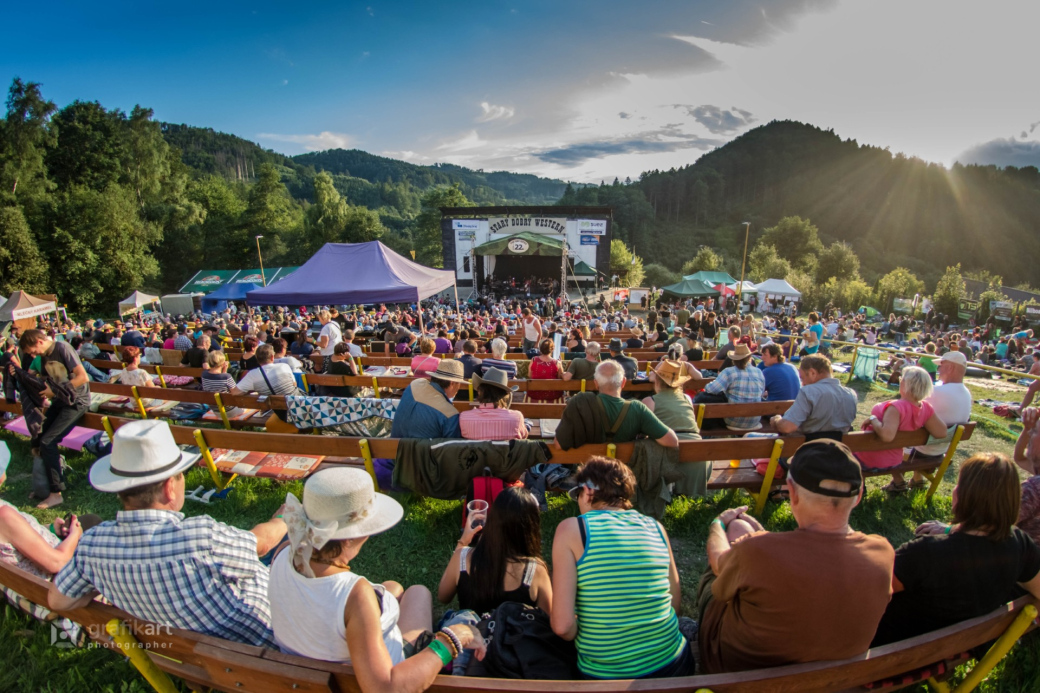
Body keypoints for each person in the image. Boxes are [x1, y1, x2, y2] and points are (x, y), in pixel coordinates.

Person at [49, 420, 286, 647]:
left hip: (195, 654)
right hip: (268, 640)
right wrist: (285, 517)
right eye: (181, 474)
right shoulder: (201, 537)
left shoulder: (92, 547)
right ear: (169, 488)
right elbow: (263, 542)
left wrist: (112, 577)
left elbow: (58, 600)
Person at [266, 467, 483, 688]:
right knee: (418, 593)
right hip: (375, 676)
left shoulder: (284, 552)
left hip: (312, 658)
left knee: (393, 587)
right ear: (348, 539)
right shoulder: (354, 596)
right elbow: (386, 688)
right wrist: (451, 640)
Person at [698, 440, 894, 673]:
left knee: (720, 573)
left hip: (738, 674)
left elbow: (718, 561)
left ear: (792, 492)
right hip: (834, 680)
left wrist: (717, 524)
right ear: (859, 494)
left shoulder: (757, 553)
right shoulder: (883, 553)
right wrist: (762, 539)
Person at [872, 452, 1040, 647]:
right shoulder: (1020, 544)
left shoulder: (925, 553)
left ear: (965, 496)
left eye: (959, 485)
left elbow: (869, 593)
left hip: (894, 652)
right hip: (959, 649)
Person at [551, 457, 692, 679]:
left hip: (606, 676)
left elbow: (562, 626)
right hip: (673, 665)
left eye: (577, 495)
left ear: (587, 492)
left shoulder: (572, 529)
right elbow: (674, 604)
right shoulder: (656, 527)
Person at [438, 486, 551, 614]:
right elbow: (547, 619)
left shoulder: (462, 558)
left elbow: (443, 596)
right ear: (531, 528)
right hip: (514, 633)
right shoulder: (535, 571)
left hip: (471, 632)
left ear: (493, 519)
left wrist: (463, 542)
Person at [18, 330, 91, 509]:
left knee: (48, 441)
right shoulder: (44, 356)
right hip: (61, 401)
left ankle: (55, 493)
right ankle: (43, 484)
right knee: (38, 436)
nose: (34, 355)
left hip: (76, 402)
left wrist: (55, 391)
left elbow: (83, 377)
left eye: (33, 351)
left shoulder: (62, 348)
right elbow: (44, 380)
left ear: (40, 341)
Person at [857, 366, 948, 493]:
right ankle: (898, 482)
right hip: (895, 461)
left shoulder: (896, 407)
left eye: (901, 379)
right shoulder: (926, 408)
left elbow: (887, 436)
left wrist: (873, 419)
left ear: (906, 384)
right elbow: (942, 432)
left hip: (871, 461)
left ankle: (859, 488)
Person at [555, 361, 678, 449]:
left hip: (587, 474)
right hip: (623, 476)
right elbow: (672, 441)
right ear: (623, 382)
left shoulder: (580, 402)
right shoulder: (637, 408)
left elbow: (559, 444)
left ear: (596, 384)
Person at [906, 350, 972, 486]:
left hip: (920, 451)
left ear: (950, 367)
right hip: (941, 451)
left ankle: (898, 481)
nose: (938, 369)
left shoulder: (936, 392)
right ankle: (917, 478)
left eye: (941, 365)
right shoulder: (967, 394)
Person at [643, 360, 706, 496]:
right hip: (698, 455)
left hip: (669, 456)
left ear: (657, 381)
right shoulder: (687, 398)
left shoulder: (649, 401)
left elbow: (641, 433)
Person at [771, 355, 857, 439]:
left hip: (806, 448)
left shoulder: (808, 391)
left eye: (803, 378)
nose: (802, 383)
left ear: (812, 373)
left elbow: (787, 427)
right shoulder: (851, 394)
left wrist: (776, 420)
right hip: (838, 448)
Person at [391, 360, 469, 439]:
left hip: (393, 447)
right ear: (452, 383)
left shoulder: (415, 384)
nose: (459, 388)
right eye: (459, 383)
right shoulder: (450, 414)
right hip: (421, 451)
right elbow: (452, 446)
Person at [701, 344, 765, 430]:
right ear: (749, 358)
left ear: (734, 359)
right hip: (754, 420)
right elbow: (761, 392)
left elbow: (711, 389)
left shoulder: (729, 371)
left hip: (732, 420)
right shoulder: (758, 372)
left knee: (707, 398)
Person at [459, 368, 527, 441]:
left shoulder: (464, 418)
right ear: (505, 395)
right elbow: (524, 438)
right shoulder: (516, 418)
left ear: (479, 392)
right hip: (505, 452)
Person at [1015, 407, 1040, 544]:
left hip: (1020, 558)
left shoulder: (1033, 489)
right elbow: (1020, 458)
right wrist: (1027, 428)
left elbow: (992, 524)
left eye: (1034, 431)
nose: (1029, 434)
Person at [528, 338, 564, 403]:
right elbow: (559, 378)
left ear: (541, 349)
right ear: (552, 349)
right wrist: (560, 364)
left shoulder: (533, 360)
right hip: (552, 394)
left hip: (534, 393)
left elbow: (529, 376)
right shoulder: (557, 362)